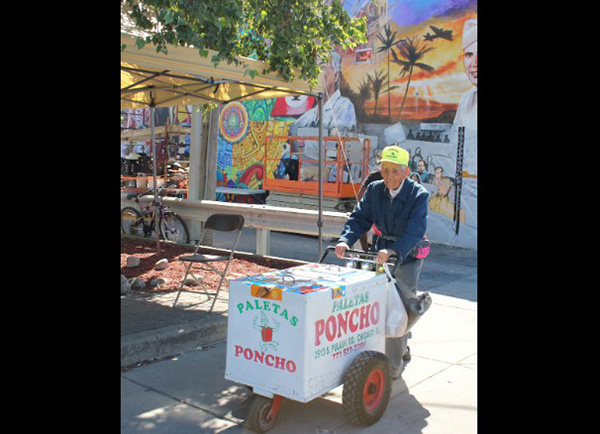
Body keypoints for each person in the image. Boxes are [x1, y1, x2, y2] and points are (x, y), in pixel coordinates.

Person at [335, 145, 429, 379]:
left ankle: (393, 367)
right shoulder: (375, 190)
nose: (388, 177)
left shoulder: (418, 195)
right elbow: (359, 218)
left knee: (399, 307)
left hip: (407, 254)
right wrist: (346, 240)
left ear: (406, 172)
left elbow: (416, 230)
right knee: (382, 304)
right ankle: (400, 348)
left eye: (395, 172)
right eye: (385, 170)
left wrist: (394, 249)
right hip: (381, 252)